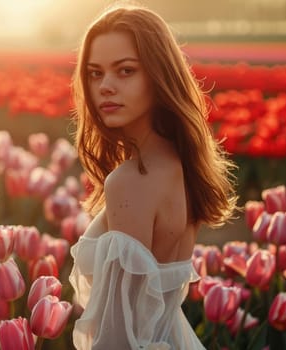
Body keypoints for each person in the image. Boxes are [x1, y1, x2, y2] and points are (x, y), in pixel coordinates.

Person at [68, 3, 238, 349]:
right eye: (95, 73)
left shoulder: (131, 180)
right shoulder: (183, 165)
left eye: (126, 71)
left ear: (159, 74)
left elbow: (120, 337)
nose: (105, 87)